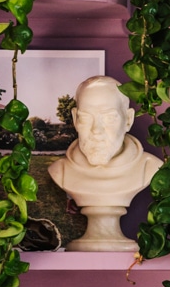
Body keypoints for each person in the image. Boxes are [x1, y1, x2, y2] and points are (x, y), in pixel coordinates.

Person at [48, 75, 161, 210]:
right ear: (75, 119)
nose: (97, 131)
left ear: (128, 120)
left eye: (109, 118)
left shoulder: (149, 167)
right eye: (85, 118)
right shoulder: (60, 170)